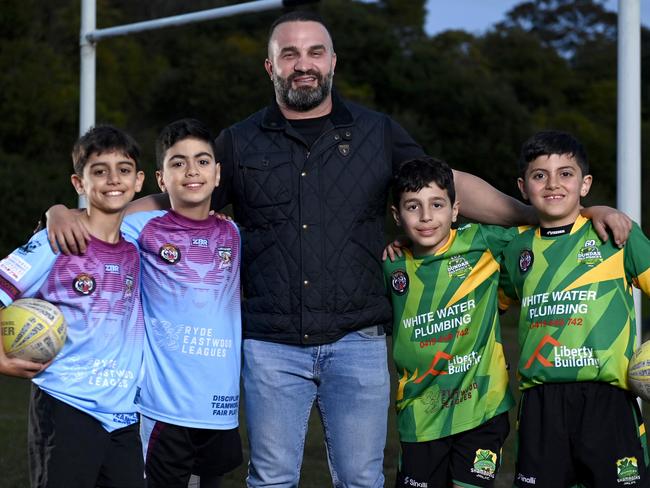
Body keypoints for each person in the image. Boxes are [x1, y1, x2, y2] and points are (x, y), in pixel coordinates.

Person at [45, 12, 631, 488]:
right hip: (271, 345)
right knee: (271, 477)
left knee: (361, 477)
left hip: (358, 342)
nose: (305, 65)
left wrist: (553, 212)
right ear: (270, 65)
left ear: (333, 62)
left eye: (316, 52)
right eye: (291, 54)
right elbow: (176, 201)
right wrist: (77, 213)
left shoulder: (376, 131)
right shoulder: (239, 142)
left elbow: (448, 184)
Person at [499, 130, 650, 488]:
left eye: (566, 173)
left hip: (607, 400)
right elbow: (488, 308)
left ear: (585, 184)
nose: (553, 184)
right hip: (540, 406)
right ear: (523, 187)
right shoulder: (514, 248)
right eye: (540, 175)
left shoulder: (617, 235)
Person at [0, 126, 146, 488]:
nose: (114, 179)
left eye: (123, 169)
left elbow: (177, 199)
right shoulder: (56, 241)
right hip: (66, 406)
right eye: (99, 171)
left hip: (124, 418)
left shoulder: (137, 244)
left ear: (139, 180)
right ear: (79, 183)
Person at [120, 118, 243, 488]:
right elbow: (95, 224)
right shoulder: (142, 228)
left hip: (220, 406)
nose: (192, 171)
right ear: (161, 179)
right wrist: (61, 213)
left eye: (203, 161)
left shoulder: (231, 232)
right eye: (179, 163)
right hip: (164, 406)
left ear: (217, 174)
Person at [384, 156, 516, 488]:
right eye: (413, 207)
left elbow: (549, 231)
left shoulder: (483, 243)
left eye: (437, 204)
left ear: (455, 210)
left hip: (482, 409)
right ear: (397, 216)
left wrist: (595, 212)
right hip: (420, 415)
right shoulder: (390, 266)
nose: (426, 217)